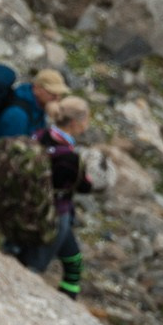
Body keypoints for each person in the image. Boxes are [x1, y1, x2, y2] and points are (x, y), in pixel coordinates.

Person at [19, 95, 95, 298]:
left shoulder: (39, 135)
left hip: (29, 205)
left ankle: (67, 302)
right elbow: (85, 186)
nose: (87, 124)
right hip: (55, 216)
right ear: (75, 123)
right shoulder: (70, 158)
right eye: (86, 119)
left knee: (73, 260)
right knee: (34, 266)